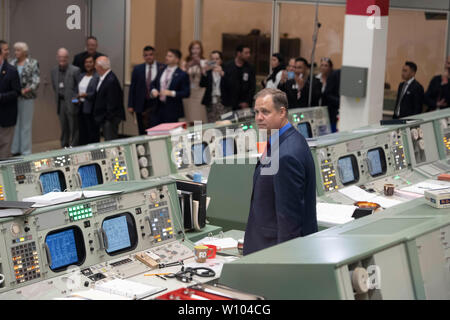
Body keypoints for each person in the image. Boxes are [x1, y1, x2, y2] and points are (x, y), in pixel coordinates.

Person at [243, 88, 318, 255]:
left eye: (265, 112)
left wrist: (282, 264)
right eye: (256, 112)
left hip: (272, 252)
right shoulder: (290, 140)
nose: (258, 118)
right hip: (265, 245)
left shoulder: (286, 155)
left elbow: (289, 222)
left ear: (282, 112)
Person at [9, 42, 40, 156]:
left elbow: (36, 81)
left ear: (24, 52)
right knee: (15, 124)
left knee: (26, 125)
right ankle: (15, 149)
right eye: (15, 50)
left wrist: (25, 90)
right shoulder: (12, 63)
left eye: (18, 50)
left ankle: (25, 151)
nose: (15, 52)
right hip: (14, 98)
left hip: (27, 98)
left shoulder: (33, 63)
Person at [128, 46, 164, 135]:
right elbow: (133, 88)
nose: (148, 57)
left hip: (156, 103)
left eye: (151, 54)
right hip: (141, 103)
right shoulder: (137, 69)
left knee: (156, 128)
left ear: (154, 55)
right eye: (146, 55)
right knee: (142, 128)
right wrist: (130, 105)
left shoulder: (162, 67)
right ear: (143, 56)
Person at [150, 49, 190, 126]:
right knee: (155, 132)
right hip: (157, 107)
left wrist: (171, 93)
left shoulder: (182, 74)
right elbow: (153, 83)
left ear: (177, 60)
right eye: (167, 55)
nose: (166, 57)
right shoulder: (161, 69)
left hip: (172, 109)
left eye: (170, 56)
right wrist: (153, 90)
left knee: (170, 133)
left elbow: (186, 93)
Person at [51, 48, 81, 148]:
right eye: (60, 57)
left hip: (72, 103)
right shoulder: (54, 71)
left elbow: (79, 88)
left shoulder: (75, 70)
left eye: (64, 57)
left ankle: (74, 146)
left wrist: (75, 101)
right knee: (64, 127)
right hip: (61, 103)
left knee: (74, 127)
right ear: (57, 57)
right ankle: (64, 146)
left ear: (67, 58)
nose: (62, 59)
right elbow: (55, 87)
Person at [93, 56, 125, 141]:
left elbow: (112, 103)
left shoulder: (110, 80)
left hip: (110, 119)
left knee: (110, 142)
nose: (94, 67)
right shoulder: (106, 78)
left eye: (96, 64)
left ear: (100, 67)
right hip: (107, 118)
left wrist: (106, 118)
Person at [0, 41, 21, 159]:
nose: (8, 52)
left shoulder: (12, 70)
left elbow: (16, 92)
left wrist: (2, 97)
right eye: (5, 49)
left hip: (6, 116)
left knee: (4, 148)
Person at [181, 40, 208, 124]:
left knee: (199, 118)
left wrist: (200, 64)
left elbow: (206, 75)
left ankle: (200, 135)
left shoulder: (205, 61)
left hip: (200, 92)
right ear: (190, 50)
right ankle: (191, 136)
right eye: (193, 48)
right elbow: (182, 76)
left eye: (198, 48)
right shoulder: (185, 62)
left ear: (201, 50)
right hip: (189, 92)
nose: (195, 50)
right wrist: (189, 65)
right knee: (190, 118)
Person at [222, 45, 256, 111]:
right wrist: (226, 102)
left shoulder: (250, 68)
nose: (248, 55)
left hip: (244, 104)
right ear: (239, 53)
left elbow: (252, 87)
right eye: (246, 53)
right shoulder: (227, 66)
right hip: (229, 103)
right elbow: (224, 85)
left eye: (249, 53)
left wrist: (247, 102)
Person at [200, 50, 230, 123]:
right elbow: (201, 84)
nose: (215, 61)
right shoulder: (208, 72)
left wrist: (222, 74)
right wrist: (203, 73)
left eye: (217, 59)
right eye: (212, 59)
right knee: (211, 123)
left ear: (221, 60)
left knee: (224, 123)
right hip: (210, 101)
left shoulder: (227, 70)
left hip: (223, 101)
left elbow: (231, 86)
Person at [76, 55, 100, 145]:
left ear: (94, 64)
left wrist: (85, 95)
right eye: (86, 62)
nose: (88, 64)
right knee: (82, 132)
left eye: (90, 62)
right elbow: (75, 95)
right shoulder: (81, 76)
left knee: (91, 132)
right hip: (80, 107)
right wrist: (75, 100)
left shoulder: (97, 77)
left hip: (91, 109)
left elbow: (95, 93)